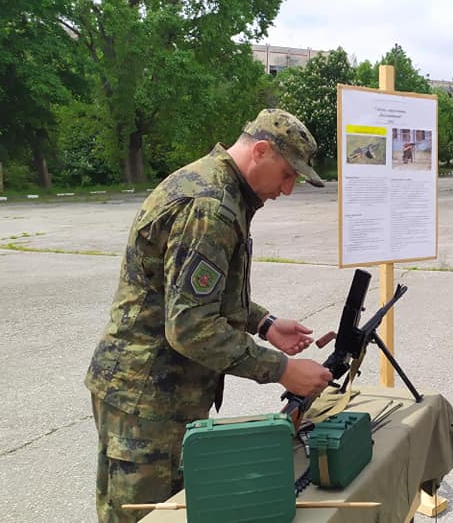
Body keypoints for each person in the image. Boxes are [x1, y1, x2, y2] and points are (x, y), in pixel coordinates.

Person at [85, 109, 335, 523]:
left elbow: (196, 294)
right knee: (146, 517)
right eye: (288, 174)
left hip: (162, 393)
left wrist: (264, 324)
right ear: (260, 151)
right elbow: (190, 326)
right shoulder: (210, 207)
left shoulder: (220, 189)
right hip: (148, 399)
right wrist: (282, 369)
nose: (288, 189)